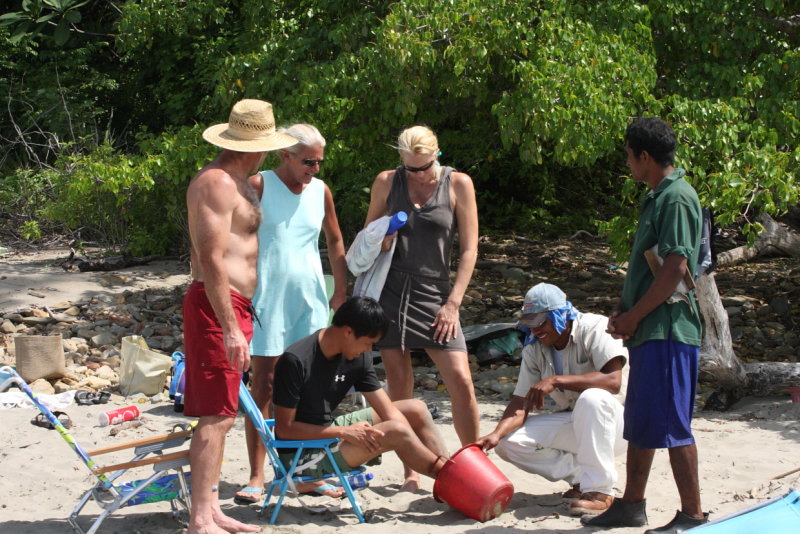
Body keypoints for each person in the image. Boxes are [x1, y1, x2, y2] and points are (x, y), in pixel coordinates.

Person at [584, 117, 708, 533]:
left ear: (644, 156)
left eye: (628, 155)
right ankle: (631, 505)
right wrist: (624, 310)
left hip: (669, 329)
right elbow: (647, 266)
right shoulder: (657, 197)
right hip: (650, 330)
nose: (627, 163)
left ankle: (692, 514)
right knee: (641, 420)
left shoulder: (675, 198)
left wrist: (635, 316)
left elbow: (675, 268)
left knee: (673, 424)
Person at [183, 98, 297, 534]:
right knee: (215, 413)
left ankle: (211, 508)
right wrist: (231, 327)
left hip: (236, 305)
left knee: (226, 412)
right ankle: (199, 519)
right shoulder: (216, 183)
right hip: (217, 306)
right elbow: (210, 260)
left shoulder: (240, 181)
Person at [236, 124, 348, 504]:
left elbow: (334, 239)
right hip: (268, 299)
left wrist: (342, 290)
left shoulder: (321, 191)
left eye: (319, 162)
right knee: (264, 386)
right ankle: (255, 473)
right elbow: (235, 238)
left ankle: (303, 472)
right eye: (308, 161)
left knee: (312, 386)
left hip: (310, 299)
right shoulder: (259, 184)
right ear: (285, 154)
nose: (314, 169)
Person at [363, 125, 479, 491]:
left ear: (437, 154)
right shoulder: (386, 182)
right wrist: (380, 239)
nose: (419, 174)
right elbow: (367, 237)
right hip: (391, 290)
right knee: (399, 383)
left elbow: (470, 250)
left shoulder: (459, 184)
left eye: (425, 166)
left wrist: (453, 304)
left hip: (436, 293)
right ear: (400, 160)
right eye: (411, 169)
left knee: (460, 378)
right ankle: (411, 470)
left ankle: (475, 460)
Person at [272, 296, 449, 499]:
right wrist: (343, 432)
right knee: (396, 430)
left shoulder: (357, 357)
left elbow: (389, 411)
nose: (368, 350)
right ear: (348, 331)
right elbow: (285, 429)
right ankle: (452, 479)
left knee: (415, 408)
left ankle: (451, 471)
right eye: (367, 343)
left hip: (329, 431)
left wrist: (410, 442)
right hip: (300, 455)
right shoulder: (296, 360)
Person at [476, 283, 627, 517]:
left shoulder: (594, 327)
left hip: (617, 426)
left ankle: (600, 491)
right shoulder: (534, 349)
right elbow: (520, 403)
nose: (535, 331)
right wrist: (496, 434)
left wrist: (557, 381)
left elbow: (613, 381)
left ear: (560, 316)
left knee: (592, 398)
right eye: (530, 325)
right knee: (509, 443)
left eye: (540, 324)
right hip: (576, 423)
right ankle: (581, 479)